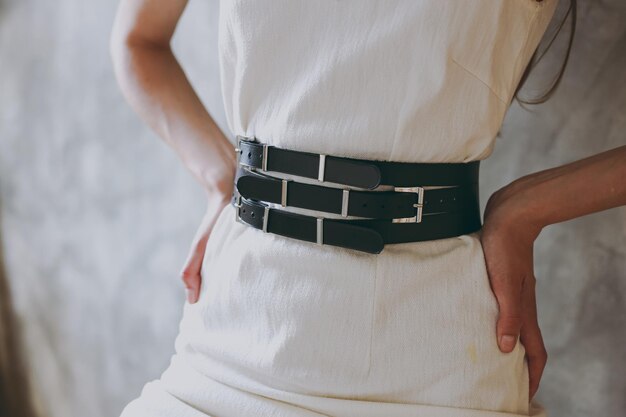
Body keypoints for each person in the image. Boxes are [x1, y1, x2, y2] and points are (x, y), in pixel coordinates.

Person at [109, 0, 626, 416]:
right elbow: (139, 40)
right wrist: (222, 179)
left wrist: (525, 208)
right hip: (229, 341)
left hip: (436, 363)